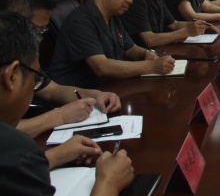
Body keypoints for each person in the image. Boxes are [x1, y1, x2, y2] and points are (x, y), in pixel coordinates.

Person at [0, 10, 134, 196]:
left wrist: (53, 157)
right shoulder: (15, 148)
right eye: (35, 79)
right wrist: (109, 183)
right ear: (12, 76)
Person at [0, 0, 121, 138]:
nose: (39, 39)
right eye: (37, 30)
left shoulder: (22, 54)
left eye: (43, 32)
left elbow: (52, 91)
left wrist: (95, 95)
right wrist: (59, 116)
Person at [49, 0, 175, 88]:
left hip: (109, 88)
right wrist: (152, 66)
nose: (130, 0)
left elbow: (130, 49)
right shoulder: (80, 21)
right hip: (79, 95)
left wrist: (146, 54)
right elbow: (101, 67)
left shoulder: (112, 16)